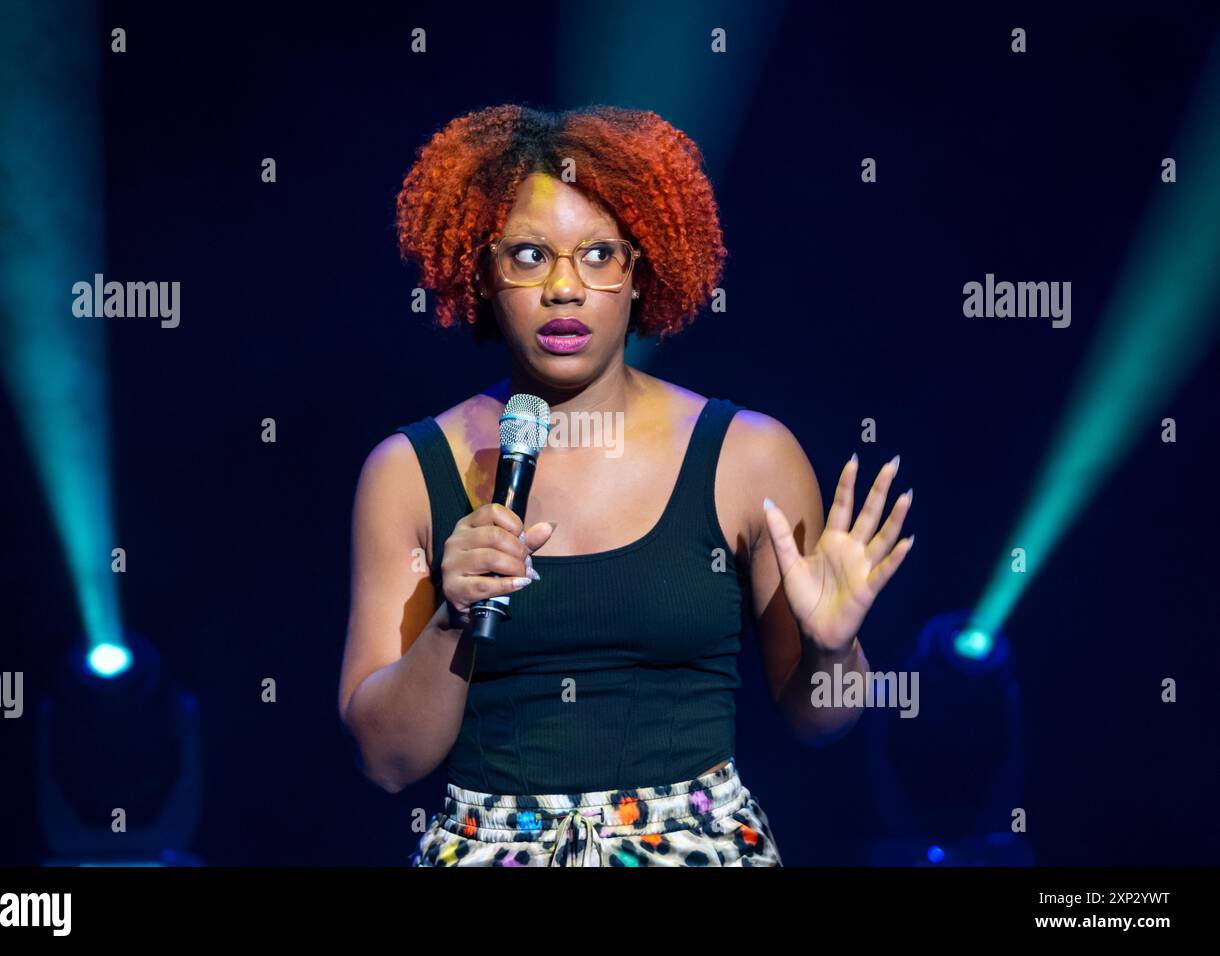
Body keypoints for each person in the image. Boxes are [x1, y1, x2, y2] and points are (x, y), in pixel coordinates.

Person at [337, 105, 915, 866]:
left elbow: (820, 720)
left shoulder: (749, 456)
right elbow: (386, 762)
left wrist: (834, 652)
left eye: (600, 255)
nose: (565, 289)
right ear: (482, 271)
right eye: (530, 256)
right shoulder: (408, 472)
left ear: (641, 273)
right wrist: (451, 619)